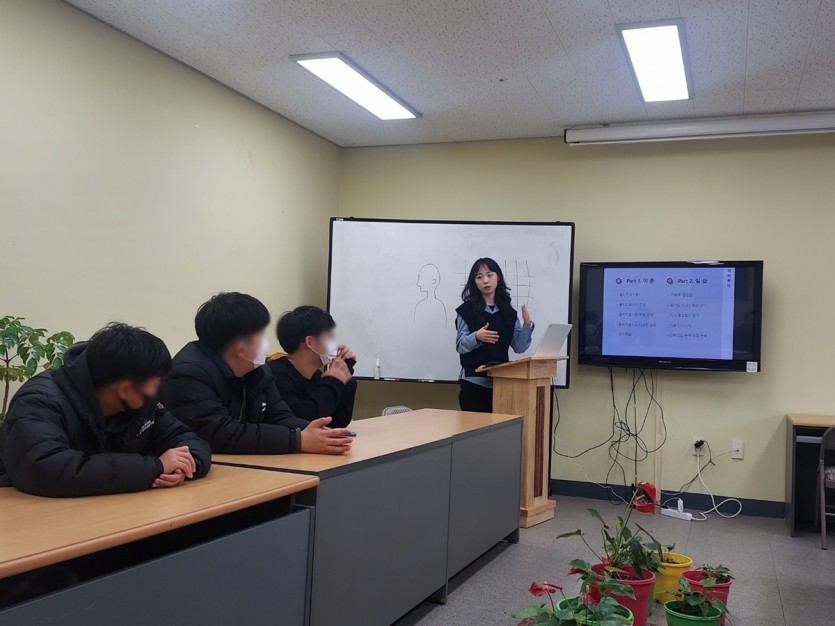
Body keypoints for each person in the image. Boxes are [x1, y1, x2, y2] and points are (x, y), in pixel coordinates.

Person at [0, 323, 211, 497]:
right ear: (125, 390)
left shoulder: (140, 405)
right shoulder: (40, 401)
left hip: (106, 510)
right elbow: (46, 469)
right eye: (155, 383)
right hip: (32, 517)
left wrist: (183, 466)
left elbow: (187, 440)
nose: (157, 390)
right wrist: (156, 467)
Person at [160, 293, 353, 455]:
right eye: (260, 334)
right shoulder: (187, 374)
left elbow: (279, 416)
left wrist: (321, 434)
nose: (265, 342)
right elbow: (222, 434)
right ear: (240, 346)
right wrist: (297, 440)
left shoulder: (258, 370)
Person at [455, 258, 535, 412]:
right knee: (475, 427)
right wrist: (476, 336)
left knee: (500, 427)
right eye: (479, 277)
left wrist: (526, 325)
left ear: (498, 277)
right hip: (473, 382)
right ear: (474, 282)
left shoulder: (508, 312)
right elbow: (460, 346)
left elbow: (519, 347)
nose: (485, 281)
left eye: (489, 275)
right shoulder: (466, 310)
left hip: (502, 383)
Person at [268, 306, 356, 428]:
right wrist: (334, 380)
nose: (337, 344)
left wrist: (345, 371)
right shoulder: (275, 375)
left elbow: (337, 421)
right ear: (310, 342)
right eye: (330, 336)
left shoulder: (316, 376)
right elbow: (301, 421)